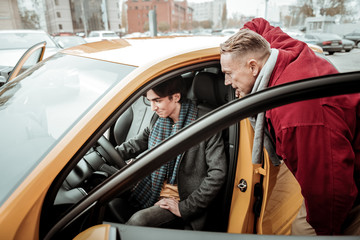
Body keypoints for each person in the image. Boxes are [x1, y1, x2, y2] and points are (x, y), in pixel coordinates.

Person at [220, 18, 360, 235]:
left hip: (347, 180)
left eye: (229, 73)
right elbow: (258, 25)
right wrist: (237, 47)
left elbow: (330, 190)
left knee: (303, 232)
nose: (227, 82)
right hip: (328, 153)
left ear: (253, 67)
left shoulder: (294, 119)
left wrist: (326, 232)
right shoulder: (278, 51)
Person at [114, 76, 227, 230]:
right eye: (150, 101)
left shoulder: (205, 125)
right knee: (108, 201)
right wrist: (107, 155)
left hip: (179, 200)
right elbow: (137, 143)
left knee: (138, 221)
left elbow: (217, 174)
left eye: (157, 101)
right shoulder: (159, 119)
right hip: (152, 190)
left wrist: (185, 207)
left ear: (176, 97)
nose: (153, 108)